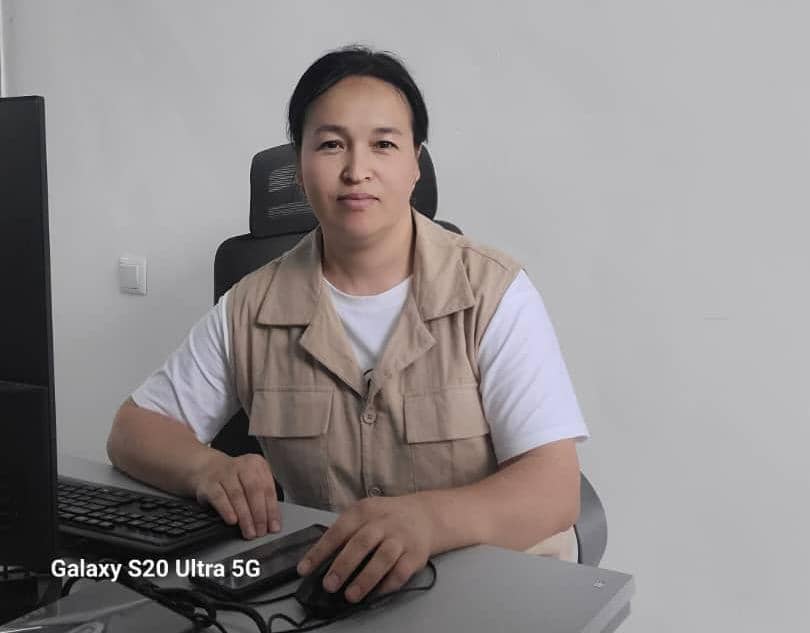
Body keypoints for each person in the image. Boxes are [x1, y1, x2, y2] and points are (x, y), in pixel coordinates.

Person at [107, 44, 589, 605]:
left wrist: (430, 520)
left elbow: (553, 488)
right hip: (340, 593)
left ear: (414, 163)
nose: (357, 171)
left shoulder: (492, 292)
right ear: (299, 164)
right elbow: (133, 430)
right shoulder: (251, 306)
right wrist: (205, 468)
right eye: (331, 144)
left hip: (495, 589)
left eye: (383, 144)